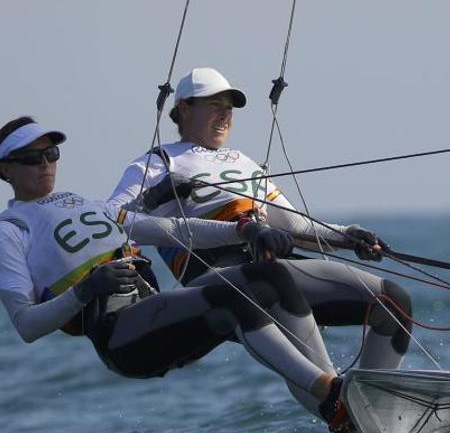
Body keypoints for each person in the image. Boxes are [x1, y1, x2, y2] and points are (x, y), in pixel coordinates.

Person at [0, 116, 366, 433]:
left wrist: (244, 229)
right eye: (31, 158)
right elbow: (27, 325)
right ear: (5, 168)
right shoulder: (11, 229)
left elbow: (175, 230)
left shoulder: (91, 206)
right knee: (229, 297)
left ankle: (348, 422)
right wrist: (86, 289)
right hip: (122, 339)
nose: (45, 164)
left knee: (266, 274)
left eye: (51, 153)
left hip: (152, 312)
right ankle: (331, 394)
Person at [107, 68, 413, 389]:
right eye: (214, 105)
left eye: (229, 107)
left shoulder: (241, 160)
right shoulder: (157, 162)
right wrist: (152, 196)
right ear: (184, 109)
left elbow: (291, 223)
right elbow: (112, 219)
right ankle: (334, 397)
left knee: (393, 301)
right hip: (218, 279)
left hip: (270, 267)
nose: (225, 114)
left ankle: (376, 405)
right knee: (272, 279)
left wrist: (347, 236)